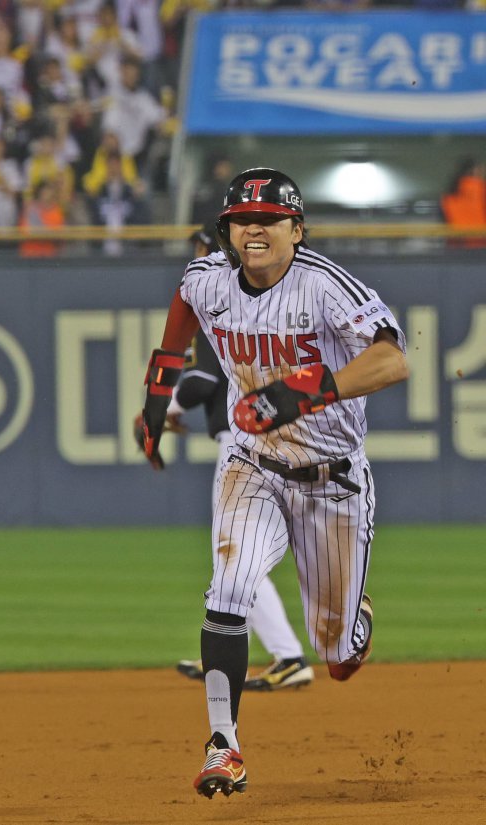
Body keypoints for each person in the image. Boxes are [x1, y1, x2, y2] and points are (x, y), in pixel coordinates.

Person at [136, 169, 409, 798]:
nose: (252, 227)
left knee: (335, 654)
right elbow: (180, 323)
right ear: (226, 231)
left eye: (268, 218)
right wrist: (156, 404)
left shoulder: (323, 285)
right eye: (240, 219)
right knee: (228, 588)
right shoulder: (207, 280)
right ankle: (223, 746)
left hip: (332, 481)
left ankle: (351, 624)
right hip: (252, 464)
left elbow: (392, 358)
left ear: (296, 228)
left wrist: (302, 392)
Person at [168, 227, 315, 694]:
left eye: (202, 251)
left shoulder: (224, 302)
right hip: (275, 439)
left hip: (246, 444)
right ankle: (235, 646)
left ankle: (288, 654)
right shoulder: (253, 297)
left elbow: (200, 381)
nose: (196, 260)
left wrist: (167, 408)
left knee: (234, 561)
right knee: (235, 559)